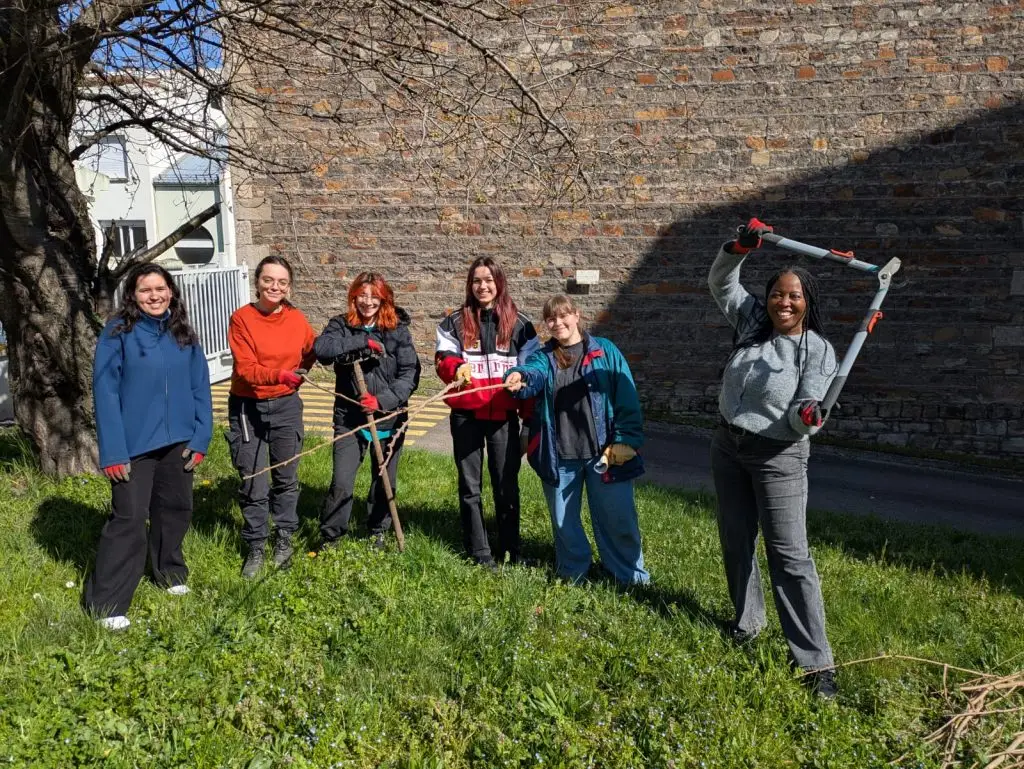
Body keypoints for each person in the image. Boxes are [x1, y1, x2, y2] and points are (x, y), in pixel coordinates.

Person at [708, 217, 839, 699]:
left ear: (808, 302)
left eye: (795, 296)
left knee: (789, 556)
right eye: (778, 294)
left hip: (777, 456)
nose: (784, 302)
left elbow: (807, 413)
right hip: (728, 445)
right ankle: (748, 625)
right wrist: (738, 247)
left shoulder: (817, 351)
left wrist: (808, 415)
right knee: (735, 540)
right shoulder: (751, 323)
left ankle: (814, 663)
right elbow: (721, 282)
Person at [86, 264, 213, 630]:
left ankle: (169, 574)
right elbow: (105, 393)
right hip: (133, 445)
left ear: (171, 291)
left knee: (175, 510)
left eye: (160, 289)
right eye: (146, 290)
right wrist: (113, 451)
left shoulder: (182, 332)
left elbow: (199, 387)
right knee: (127, 519)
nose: (154, 296)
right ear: (133, 295)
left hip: (180, 442)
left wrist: (201, 436)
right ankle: (107, 604)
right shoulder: (118, 332)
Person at [504, 295, 649, 587]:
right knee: (563, 523)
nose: (557, 323)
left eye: (563, 316)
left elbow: (627, 398)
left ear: (577, 315)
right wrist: (518, 375)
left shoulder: (605, 351)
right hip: (561, 455)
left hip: (605, 453)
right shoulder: (544, 357)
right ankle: (573, 573)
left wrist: (626, 440)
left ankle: (629, 577)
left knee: (619, 519)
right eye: (551, 319)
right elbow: (531, 373)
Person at [435, 256, 539, 568]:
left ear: (499, 283)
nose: (483, 286)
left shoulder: (520, 324)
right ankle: (479, 552)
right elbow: (443, 357)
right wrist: (456, 367)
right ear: (470, 285)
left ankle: (511, 549)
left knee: (506, 484)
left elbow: (534, 365)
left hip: (503, 417)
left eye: (489, 280)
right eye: (477, 281)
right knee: (470, 486)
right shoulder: (454, 322)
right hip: (466, 415)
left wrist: (524, 383)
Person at [313, 272, 420, 550]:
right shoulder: (341, 325)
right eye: (362, 295)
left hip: (389, 416)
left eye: (374, 295)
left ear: (384, 298)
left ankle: (377, 530)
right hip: (349, 417)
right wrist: (361, 342)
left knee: (384, 479)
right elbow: (322, 349)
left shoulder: (397, 330)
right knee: (342, 480)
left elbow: (410, 373)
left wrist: (382, 400)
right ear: (353, 297)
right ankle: (332, 536)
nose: (368, 301)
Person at [227, 255, 316, 578]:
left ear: (289, 286)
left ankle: (284, 540)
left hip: (286, 406)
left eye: (281, 282)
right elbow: (246, 369)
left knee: (286, 479)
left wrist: (302, 371)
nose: (274, 287)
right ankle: (255, 546)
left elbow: (312, 349)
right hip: (247, 407)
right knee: (254, 481)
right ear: (257, 282)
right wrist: (280, 375)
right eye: (268, 280)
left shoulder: (296, 318)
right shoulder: (242, 319)